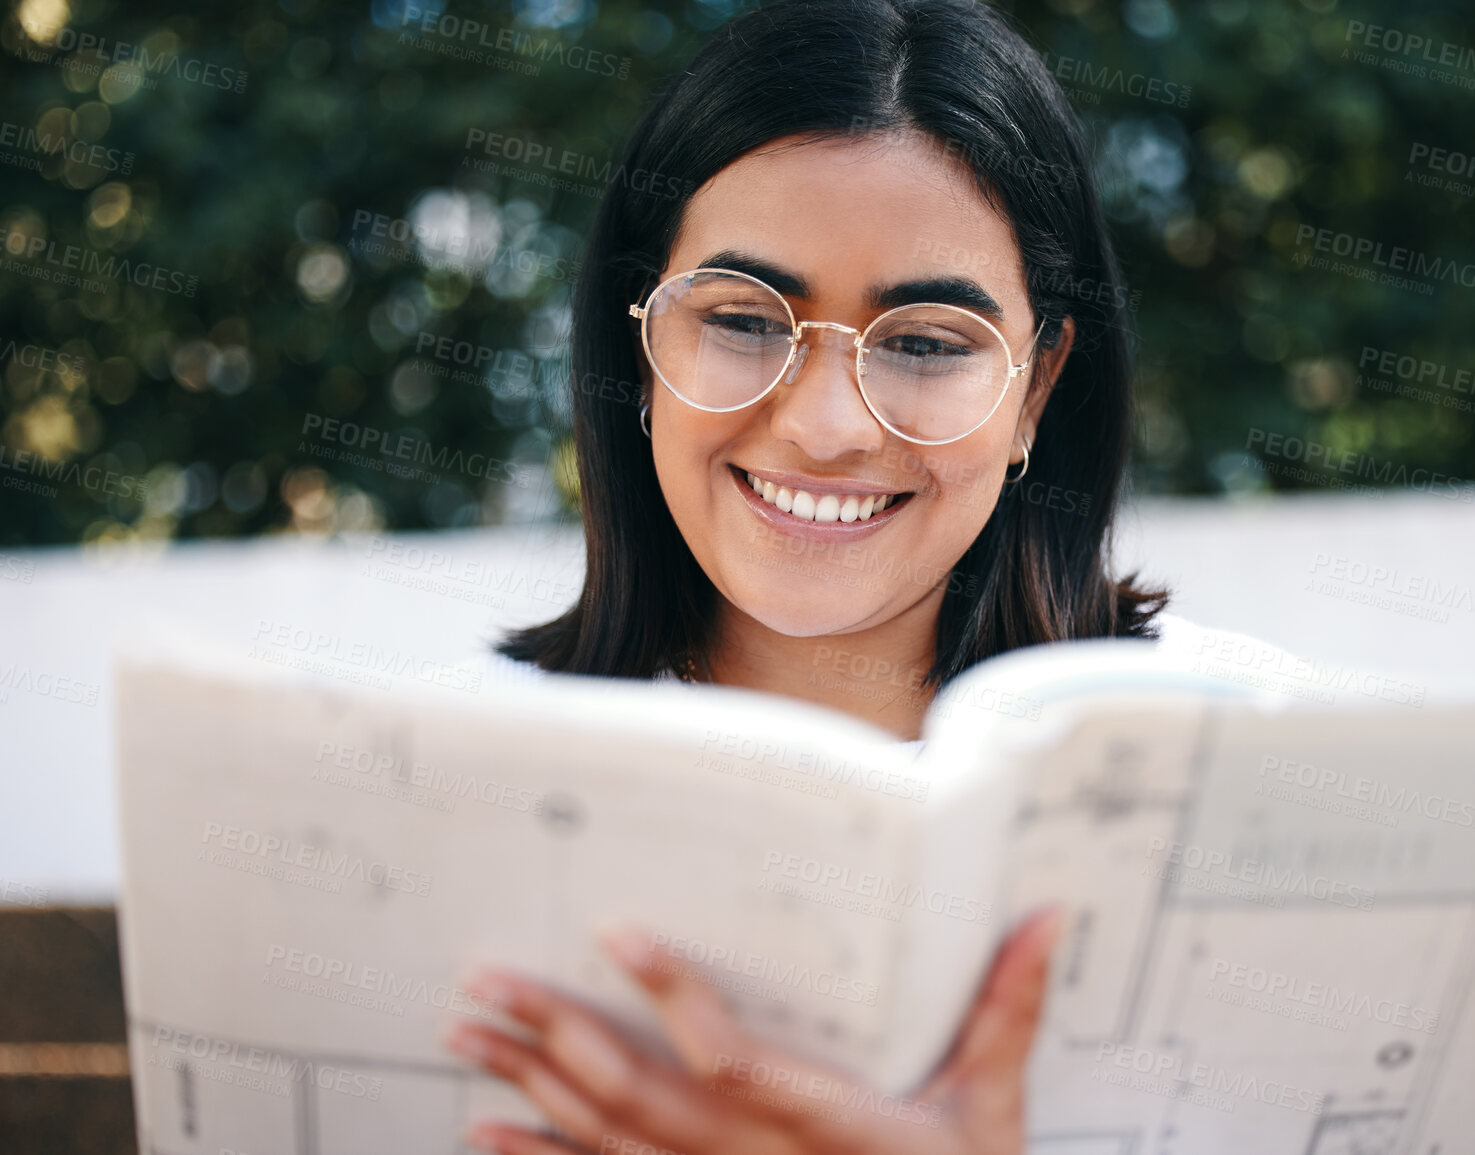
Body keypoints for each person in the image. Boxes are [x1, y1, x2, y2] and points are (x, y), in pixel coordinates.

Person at [444, 0, 1168, 1149]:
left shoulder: (1215, 786)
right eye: (740, 320)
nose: (826, 427)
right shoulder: (440, 783)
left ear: (1038, 388)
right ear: (640, 350)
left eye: (926, 343)